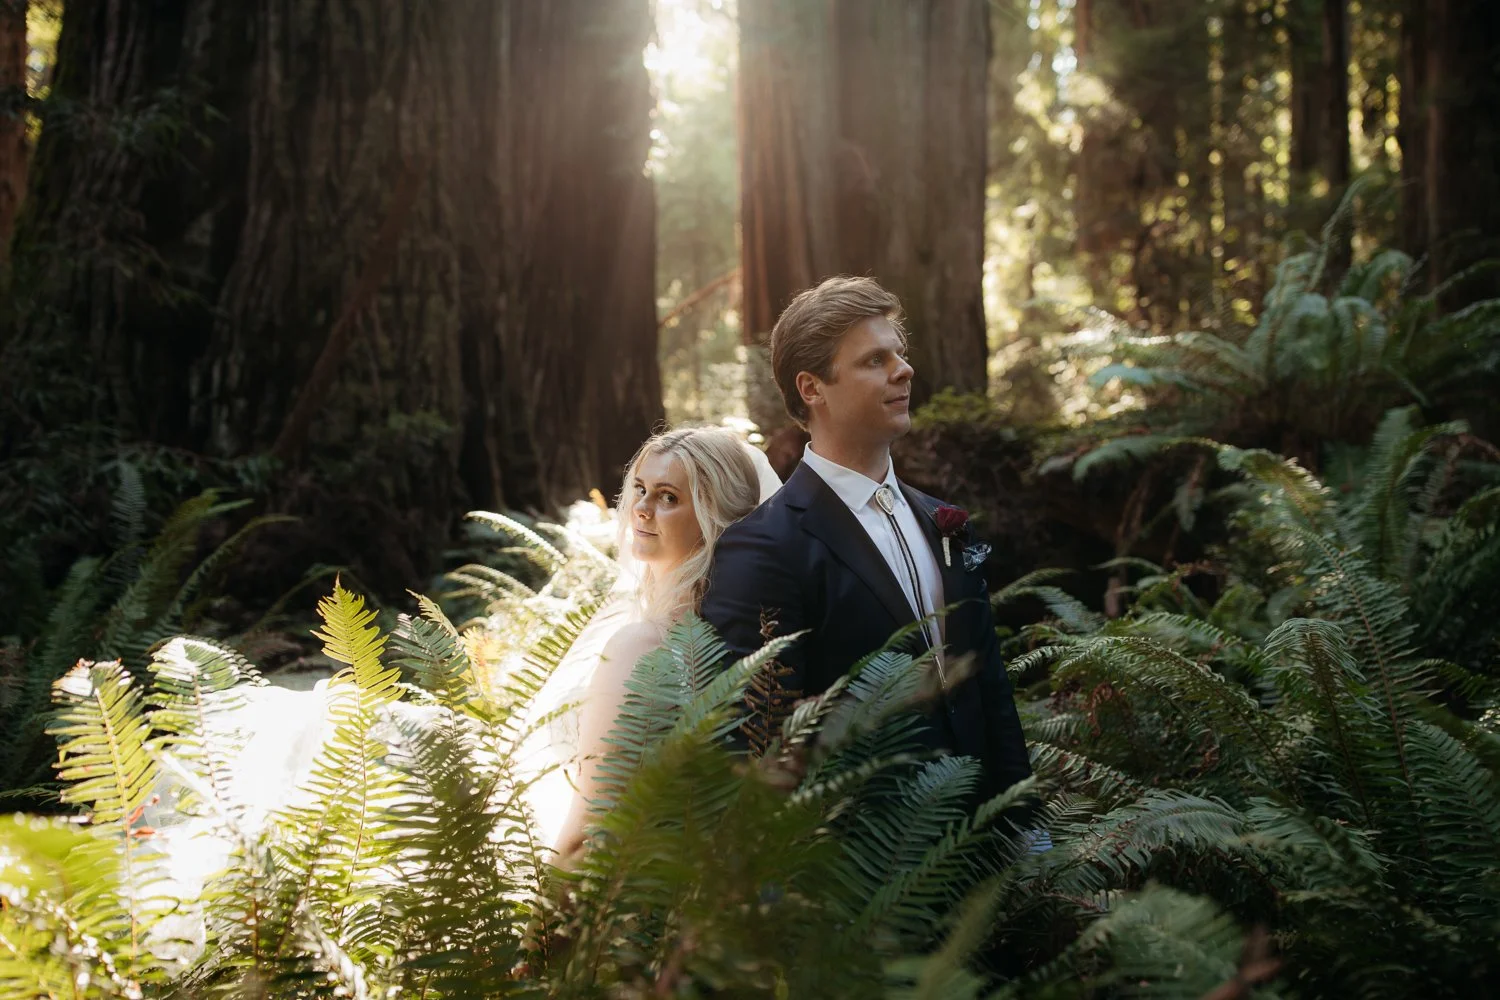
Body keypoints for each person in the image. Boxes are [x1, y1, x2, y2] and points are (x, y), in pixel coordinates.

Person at [699, 276, 1033, 807]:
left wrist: (1023, 820)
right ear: (812, 388)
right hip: (860, 864)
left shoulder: (943, 521)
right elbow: (752, 745)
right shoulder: (763, 548)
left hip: (983, 844)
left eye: (898, 354)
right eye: (874, 360)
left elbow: (989, 684)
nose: (904, 369)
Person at [547, 426, 775, 859]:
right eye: (639, 489)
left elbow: (590, 828)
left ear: (716, 519)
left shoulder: (643, 647)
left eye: (668, 497)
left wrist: (542, 921)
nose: (642, 509)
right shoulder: (751, 640)